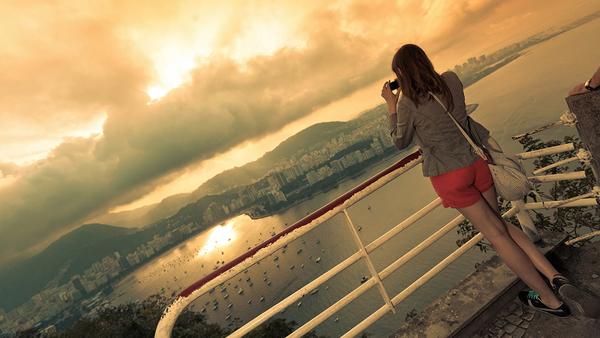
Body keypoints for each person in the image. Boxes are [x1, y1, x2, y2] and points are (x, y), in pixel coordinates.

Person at [380, 44, 573, 317]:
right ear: (424, 61)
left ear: (401, 74)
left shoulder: (406, 103)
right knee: (501, 226)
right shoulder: (451, 80)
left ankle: (550, 300)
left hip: (450, 176)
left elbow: (400, 141)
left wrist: (391, 105)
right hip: (477, 164)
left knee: (497, 235)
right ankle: (554, 276)